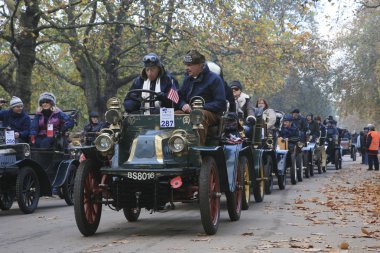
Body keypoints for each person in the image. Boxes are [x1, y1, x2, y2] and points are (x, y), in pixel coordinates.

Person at [177, 49, 226, 145]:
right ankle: (174, 147)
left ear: (200, 65)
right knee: (174, 115)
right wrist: (183, 105)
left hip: (211, 114)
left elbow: (221, 104)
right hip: (190, 111)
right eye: (186, 65)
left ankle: (197, 151)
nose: (186, 68)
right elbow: (180, 98)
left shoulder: (214, 79)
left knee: (198, 115)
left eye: (190, 65)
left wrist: (200, 107)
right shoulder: (187, 79)